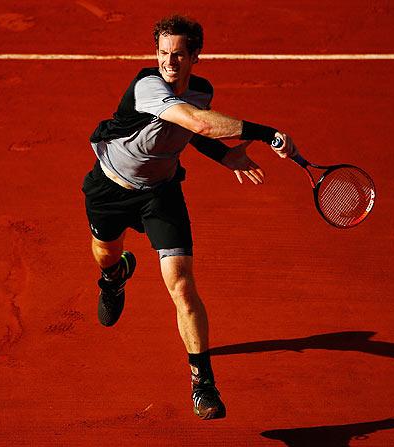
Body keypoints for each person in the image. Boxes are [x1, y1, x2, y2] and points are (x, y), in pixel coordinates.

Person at [82, 14, 297, 420]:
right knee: (105, 253)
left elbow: (194, 132)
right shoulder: (146, 86)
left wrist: (225, 155)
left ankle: (203, 384)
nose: (169, 62)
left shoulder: (201, 91)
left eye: (178, 54)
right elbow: (195, 121)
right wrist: (268, 134)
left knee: (181, 285)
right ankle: (113, 279)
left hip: (161, 194)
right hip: (109, 189)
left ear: (195, 55)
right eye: (163, 53)